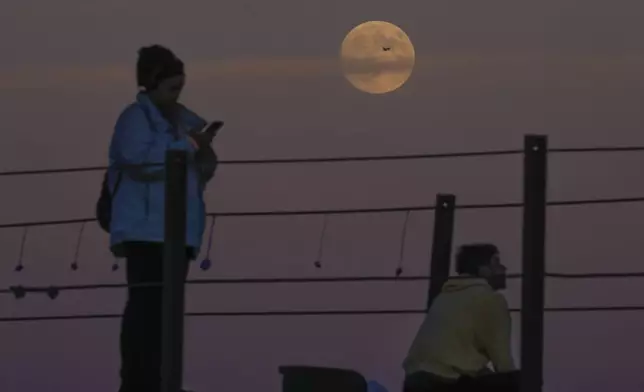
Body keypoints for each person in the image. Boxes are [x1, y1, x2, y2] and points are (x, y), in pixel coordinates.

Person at [107, 44, 219, 392]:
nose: (177, 95)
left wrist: (203, 153)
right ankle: (139, 383)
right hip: (146, 232)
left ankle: (161, 380)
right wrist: (189, 147)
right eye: (171, 88)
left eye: (180, 87)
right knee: (145, 311)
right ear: (152, 84)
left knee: (167, 314)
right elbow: (143, 164)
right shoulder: (134, 120)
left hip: (177, 232)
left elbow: (193, 176)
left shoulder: (183, 122)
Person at [402, 243, 518, 392]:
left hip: (414, 380)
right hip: (444, 383)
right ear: (482, 270)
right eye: (496, 263)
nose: (503, 268)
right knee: (520, 381)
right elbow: (503, 362)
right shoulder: (491, 299)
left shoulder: (445, 296)